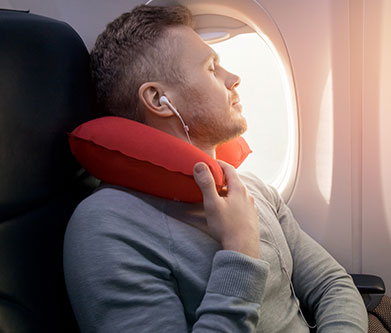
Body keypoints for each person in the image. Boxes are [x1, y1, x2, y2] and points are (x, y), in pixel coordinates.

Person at [63, 4, 368, 332]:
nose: (234, 79)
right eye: (212, 68)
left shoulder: (247, 187)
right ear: (158, 99)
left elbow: (333, 286)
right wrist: (241, 251)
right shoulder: (106, 227)